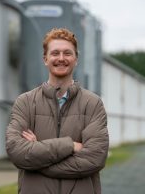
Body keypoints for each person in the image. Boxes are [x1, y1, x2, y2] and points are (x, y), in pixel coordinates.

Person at [6, 28, 109, 194]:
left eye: (67, 53)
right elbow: (17, 152)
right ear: (45, 59)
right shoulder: (25, 102)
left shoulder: (93, 104)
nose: (61, 58)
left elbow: (95, 158)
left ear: (76, 59)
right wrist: (70, 145)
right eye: (55, 53)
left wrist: (38, 158)